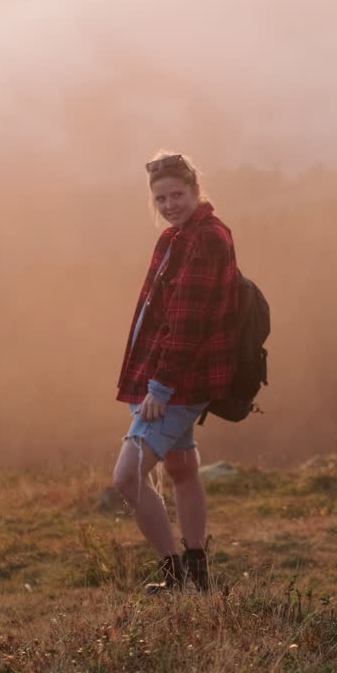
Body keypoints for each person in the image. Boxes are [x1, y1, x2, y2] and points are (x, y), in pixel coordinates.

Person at [112, 151, 241, 594]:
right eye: (161, 198)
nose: (169, 205)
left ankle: (176, 575)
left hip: (179, 381)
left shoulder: (206, 239)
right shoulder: (174, 238)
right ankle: (197, 575)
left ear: (196, 190)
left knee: (127, 477)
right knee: (182, 469)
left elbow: (188, 322)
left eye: (177, 195)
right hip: (164, 375)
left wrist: (160, 387)